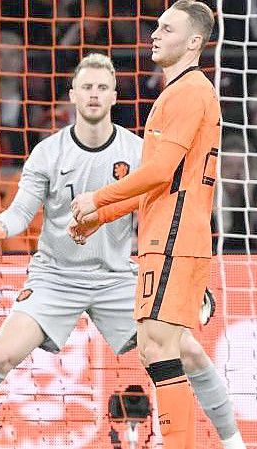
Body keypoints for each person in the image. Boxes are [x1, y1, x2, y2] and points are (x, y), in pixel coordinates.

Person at [0, 53, 244, 449]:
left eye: (102, 88)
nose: (94, 95)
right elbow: (19, 213)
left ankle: (234, 443)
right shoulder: (48, 152)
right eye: (87, 87)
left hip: (117, 277)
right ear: (72, 95)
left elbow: (165, 214)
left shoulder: (140, 153)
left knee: (191, 354)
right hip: (56, 277)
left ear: (115, 95)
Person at [71, 3, 245, 448]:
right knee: (176, 347)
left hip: (174, 236)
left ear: (193, 42)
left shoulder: (188, 93)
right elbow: (157, 178)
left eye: (167, 28)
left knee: (156, 347)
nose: (154, 34)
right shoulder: (178, 93)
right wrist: (101, 216)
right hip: (166, 233)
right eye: (156, 25)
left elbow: (158, 171)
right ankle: (230, 441)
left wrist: (96, 198)